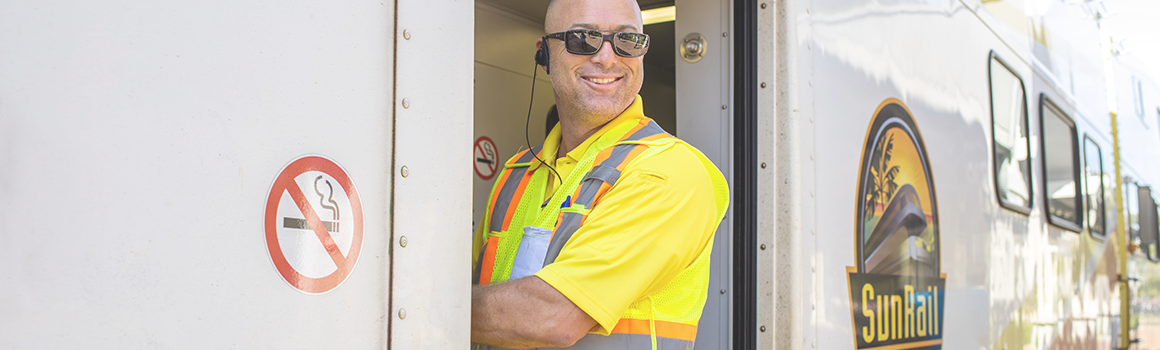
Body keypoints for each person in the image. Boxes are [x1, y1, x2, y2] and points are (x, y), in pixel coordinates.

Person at [470, 0, 729, 348]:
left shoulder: (667, 173)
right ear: (544, 54)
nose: (607, 57)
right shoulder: (516, 173)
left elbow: (554, 317)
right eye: (582, 38)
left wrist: (413, 303)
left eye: (627, 40)